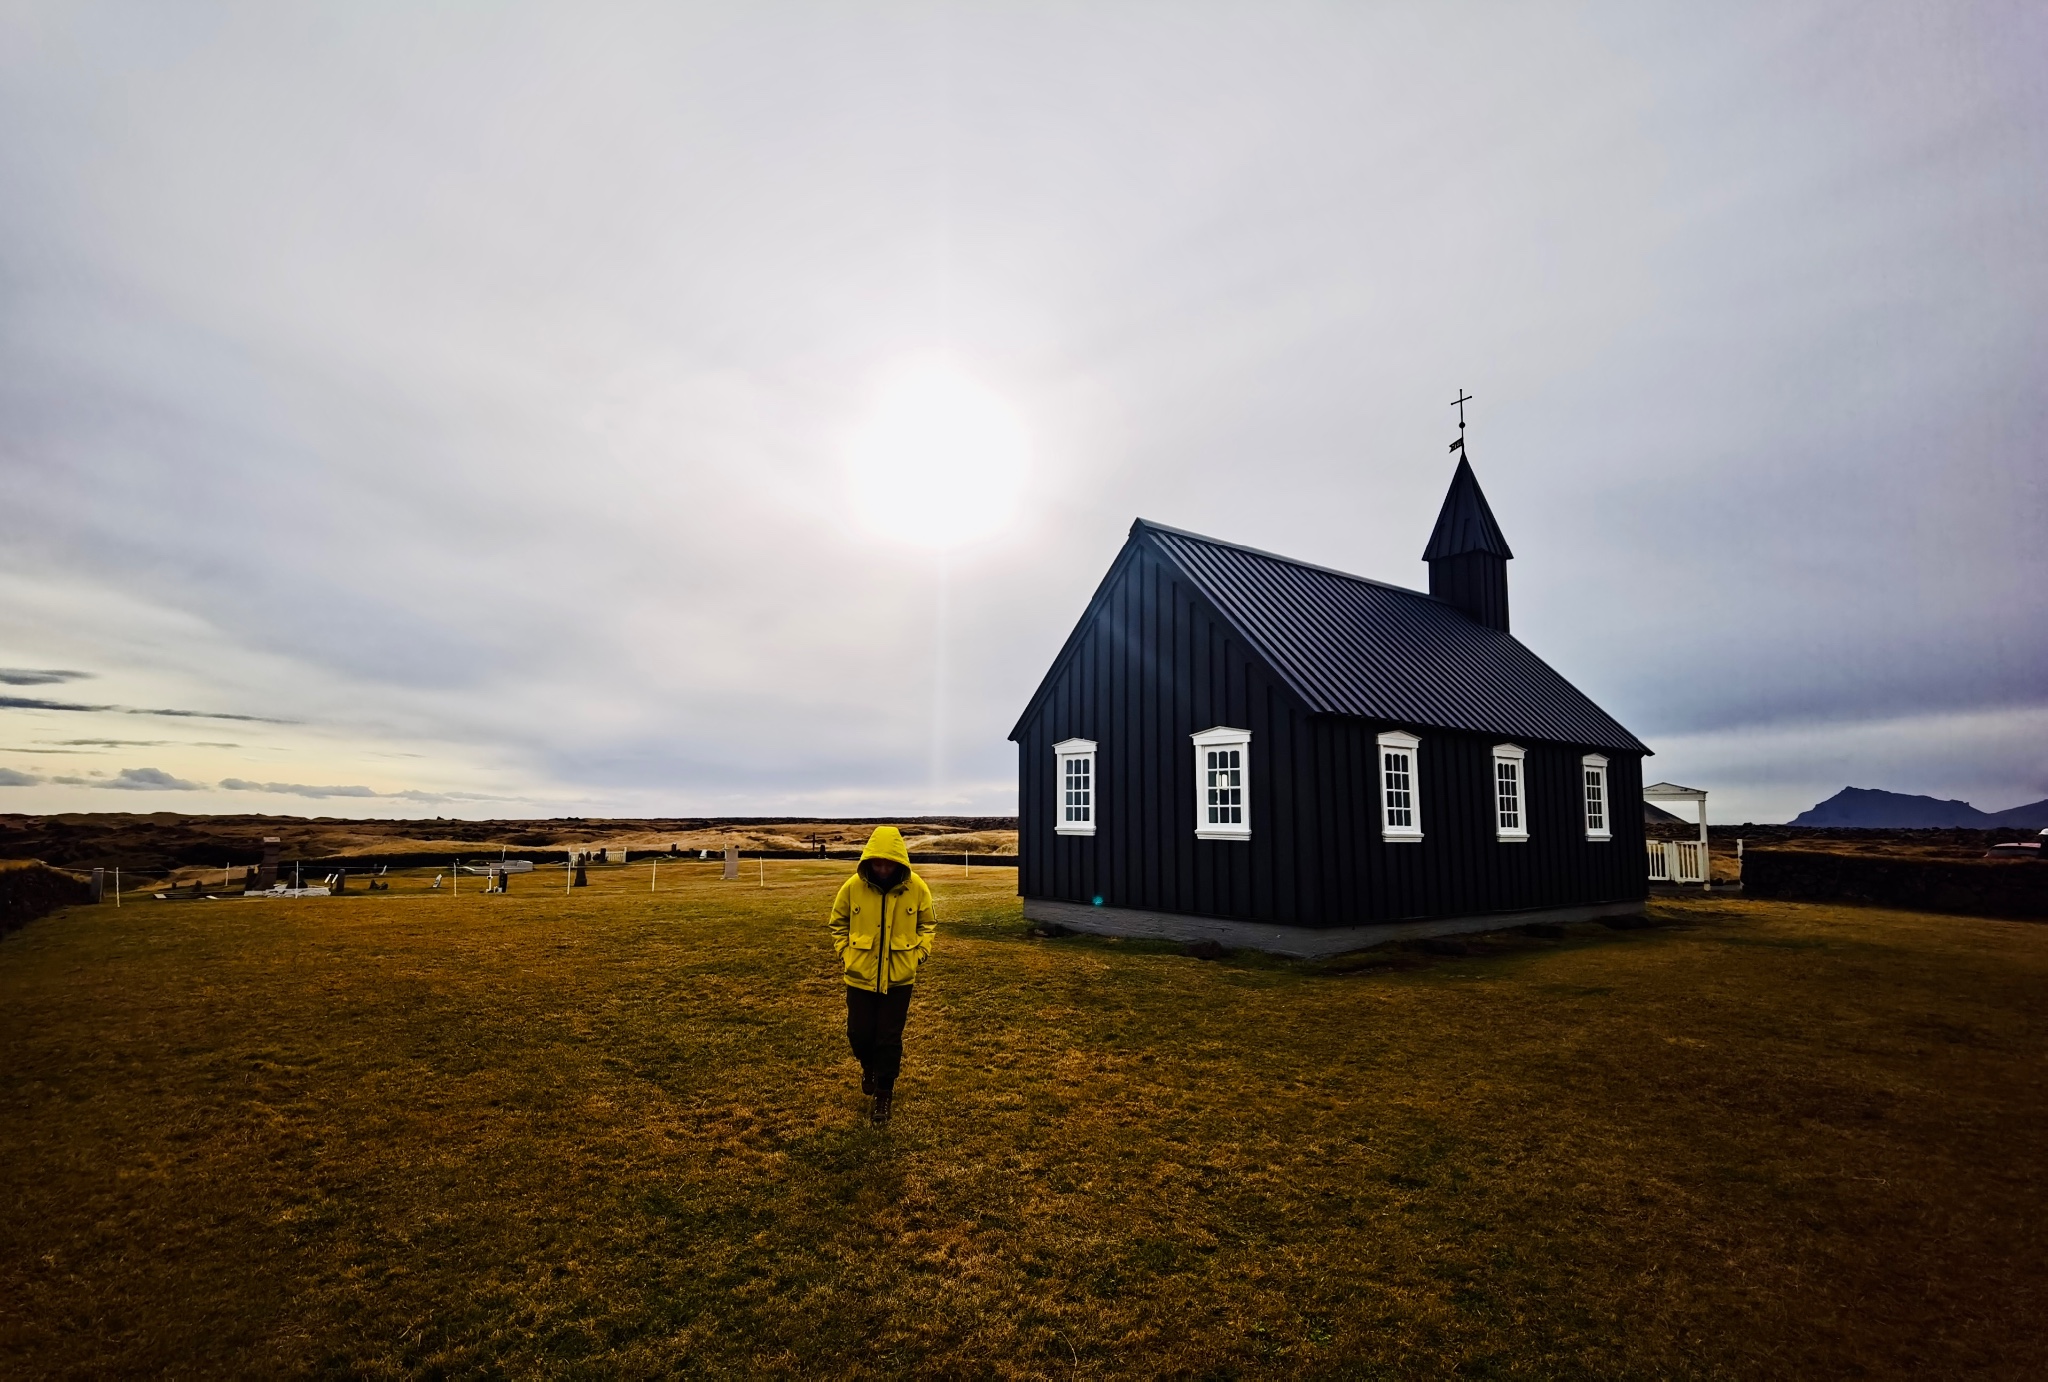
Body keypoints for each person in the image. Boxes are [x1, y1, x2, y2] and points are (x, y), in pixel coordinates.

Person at [828, 826, 935, 1125]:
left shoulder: (917, 888)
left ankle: (884, 1095)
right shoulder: (852, 887)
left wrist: (919, 954)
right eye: (878, 862)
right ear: (870, 859)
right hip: (859, 976)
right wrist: (846, 953)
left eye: (889, 863)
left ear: (899, 860)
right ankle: (868, 1066)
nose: (884, 868)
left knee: (889, 1039)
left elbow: (928, 924)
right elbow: (838, 923)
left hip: (900, 979)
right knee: (859, 1034)